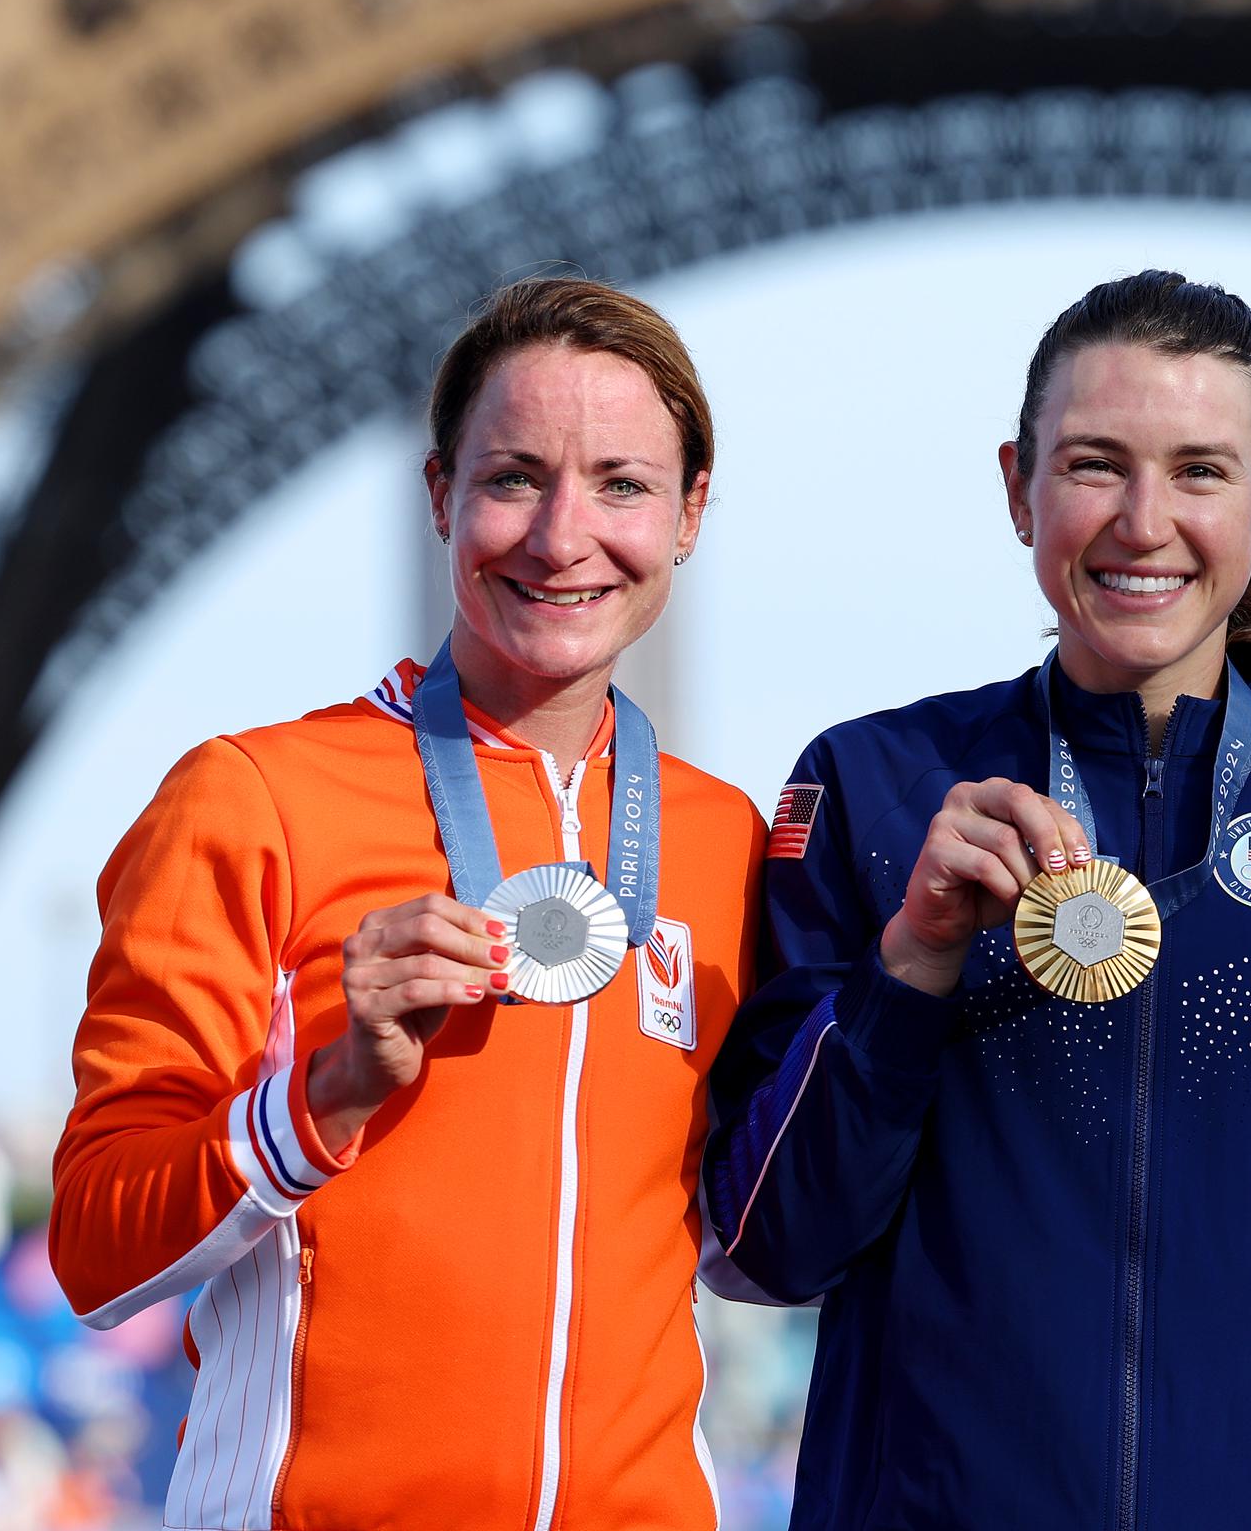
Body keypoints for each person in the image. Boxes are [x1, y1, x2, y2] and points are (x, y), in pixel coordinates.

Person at [706, 270, 1251, 1528]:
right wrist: (910, 967)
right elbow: (768, 1245)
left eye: (1201, 471)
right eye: (1095, 464)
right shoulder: (875, 791)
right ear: (1019, 485)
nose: (1143, 520)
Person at [49, 278, 766, 1530]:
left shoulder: (730, 840)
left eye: (622, 484)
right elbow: (97, 1255)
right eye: (512, 479)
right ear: (440, 496)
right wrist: (320, 1095)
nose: (560, 535)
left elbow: (772, 1227)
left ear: (692, 512)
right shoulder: (252, 799)